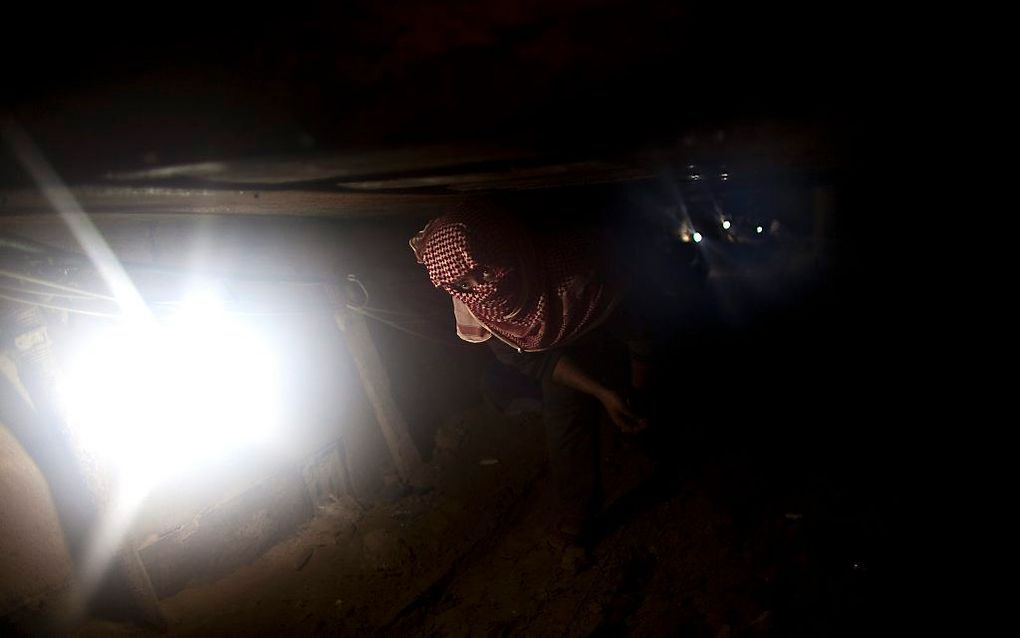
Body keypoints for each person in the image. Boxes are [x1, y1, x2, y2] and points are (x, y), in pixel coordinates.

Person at [411, 204, 653, 554]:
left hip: (610, 327)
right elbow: (536, 364)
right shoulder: (480, 312)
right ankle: (578, 518)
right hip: (562, 357)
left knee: (647, 409)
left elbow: (639, 329)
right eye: (464, 283)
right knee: (564, 424)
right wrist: (602, 393)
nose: (481, 288)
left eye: (482, 270)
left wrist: (638, 388)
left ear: (498, 248)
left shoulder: (573, 269)